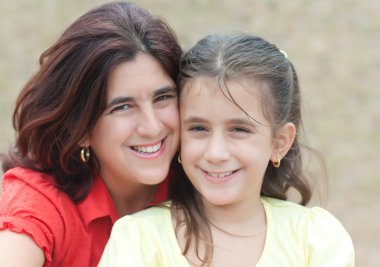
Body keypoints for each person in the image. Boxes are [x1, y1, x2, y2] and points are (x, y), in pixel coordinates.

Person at [99, 32, 355, 266]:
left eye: (239, 130)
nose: (215, 153)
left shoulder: (315, 239)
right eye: (199, 128)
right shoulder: (139, 240)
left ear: (279, 143)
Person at [0, 1, 182, 266]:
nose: (152, 126)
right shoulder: (41, 205)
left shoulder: (203, 178)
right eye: (122, 107)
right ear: (80, 128)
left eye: (162, 97)